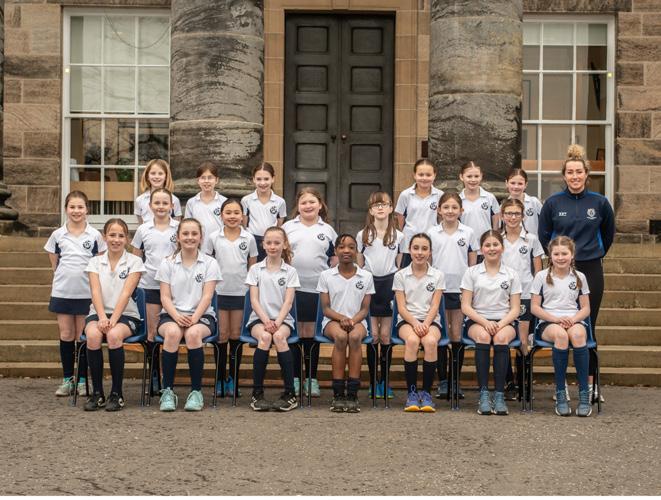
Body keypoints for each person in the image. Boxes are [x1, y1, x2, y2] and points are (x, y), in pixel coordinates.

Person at [538, 144, 615, 403]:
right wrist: (560, 259)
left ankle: (590, 386)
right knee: (559, 324)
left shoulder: (600, 202)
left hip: (590, 267)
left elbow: (608, 235)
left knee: (588, 326)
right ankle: (561, 386)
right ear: (564, 175)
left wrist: (593, 253)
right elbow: (544, 235)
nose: (574, 176)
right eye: (570, 172)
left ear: (586, 174)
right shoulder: (553, 203)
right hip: (559, 269)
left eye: (579, 172)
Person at [155, 218, 222, 412]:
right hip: (172, 314)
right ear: (178, 237)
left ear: (201, 237)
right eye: (185, 233)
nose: (189, 237)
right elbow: (165, 297)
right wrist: (177, 316)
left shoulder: (210, 263)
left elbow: (208, 296)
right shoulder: (167, 263)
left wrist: (194, 318)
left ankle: (196, 392)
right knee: (172, 333)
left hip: (201, 315)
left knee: (193, 334)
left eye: (194, 234)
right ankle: (167, 392)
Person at [45, 191, 106, 397]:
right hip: (63, 291)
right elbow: (55, 263)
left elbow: (100, 264)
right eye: (72, 207)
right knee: (66, 335)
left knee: (82, 336)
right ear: (66, 209)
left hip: (86, 294)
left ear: (87, 209)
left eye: (80, 207)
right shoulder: (57, 235)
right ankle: (67, 380)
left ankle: (81, 380)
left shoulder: (95, 235)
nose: (76, 211)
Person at [83, 218, 145, 411]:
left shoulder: (135, 261)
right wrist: (102, 317)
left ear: (127, 239)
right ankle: (97, 393)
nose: (116, 239)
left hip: (126, 314)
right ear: (104, 237)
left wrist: (112, 321)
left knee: (113, 335)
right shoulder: (95, 262)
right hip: (99, 312)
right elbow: (95, 292)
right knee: (93, 335)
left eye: (120, 236)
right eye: (112, 235)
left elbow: (126, 293)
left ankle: (117, 394)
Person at [283, 187, 338, 397]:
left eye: (312, 202)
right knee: (296, 333)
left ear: (320, 205)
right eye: (304, 202)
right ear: (298, 206)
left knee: (312, 334)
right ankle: (296, 378)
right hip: (293, 289)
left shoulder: (328, 230)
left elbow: (334, 258)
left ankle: (312, 379)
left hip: (317, 289)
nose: (308, 206)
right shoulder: (288, 227)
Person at [461, 230, 521, 416]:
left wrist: (500, 324)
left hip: (504, 321)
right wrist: (485, 322)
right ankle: (484, 394)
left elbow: (515, 309)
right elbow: (465, 306)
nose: (492, 248)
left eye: (495, 244)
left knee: (501, 338)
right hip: (478, 320)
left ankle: (500, 395)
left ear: (502, 248)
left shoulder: (511, 274)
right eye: (487, 245)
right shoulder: (471, 272)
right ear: (481, 249)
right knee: (483, 336)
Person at [531, 236, 592, 417]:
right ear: (550, 256)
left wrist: (573, 319)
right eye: (556, 254)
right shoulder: (541, 276)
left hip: (573, 319)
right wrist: (555, 319)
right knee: (561, 336)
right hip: (549, 322)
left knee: (579, 335)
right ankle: (560, 393)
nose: (560, 257)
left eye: (564, 253)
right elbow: (535, 307)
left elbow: (586, 308)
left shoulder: (580, 277)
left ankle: (584, 395)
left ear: (572, 255)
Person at [204, 198, 258, 398]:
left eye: (236, 213)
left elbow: (253, 266)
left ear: (242, 216)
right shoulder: (213, 237)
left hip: (240, 293)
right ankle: (219, 378)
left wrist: (251, 289)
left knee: (235, 336)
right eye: (228, 212)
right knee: (222, 336)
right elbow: (207, 263)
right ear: (221, 215)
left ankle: (232, 380)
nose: (232, 216)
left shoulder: (249, 238)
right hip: (218, 292)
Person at [427, 192, 477, 400]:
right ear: (439, 210)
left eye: (454, 207)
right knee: (441, 335)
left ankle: (455, 380)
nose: (450, 211)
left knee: (456, 335)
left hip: (460, 289)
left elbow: (472, 262)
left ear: (461, 210)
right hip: (438, 289)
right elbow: (428, 261)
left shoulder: (468, 232)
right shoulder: (432, 232)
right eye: (446, 207)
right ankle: (443, 382)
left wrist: (470, 287)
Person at [245, 226, 300, 412]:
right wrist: (266, 321)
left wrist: (277, 322)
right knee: (265, 337)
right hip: (259, 319)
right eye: (269, 242)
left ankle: (290, 394)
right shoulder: (255, 269)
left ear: (284, 245)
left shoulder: (290, 271)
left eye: (277, 242)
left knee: (279, 337)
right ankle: (257, 394)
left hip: (282, 320)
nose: (272, 246)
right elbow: (254, 300)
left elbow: (288, 302)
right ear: (263, 244)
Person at [318, 234, 374, 413]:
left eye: (351, 247)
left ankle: (352, 393)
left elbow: (365, 309)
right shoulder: (326, 275)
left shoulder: (366, 276)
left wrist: (352, 320)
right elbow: (326, 308)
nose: (346, 250)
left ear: (356, 251)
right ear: (335, 251)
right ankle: (338, 393)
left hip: (357, 320)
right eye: (341, 247)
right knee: (341, 337)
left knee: (355, 336)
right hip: (332, 320)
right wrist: (342, 318)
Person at [356, 191, 404, 400]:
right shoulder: (363, 235)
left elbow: (399, 264)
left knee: (385, 336)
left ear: (391, 208)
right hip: (370, 284)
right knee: (373, 335)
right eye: (376, 205)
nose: (381, 208)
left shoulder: (399, 236)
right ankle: (372, 381)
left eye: (384, 204)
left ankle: (385, 381)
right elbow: (360, 262)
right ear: (371, 210)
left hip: (389, 284)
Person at [131, 188, 179, 393]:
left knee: (171, 332)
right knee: (152, 332)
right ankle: (154, 376)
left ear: (172, 206)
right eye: (157, 203)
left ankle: (168, 377)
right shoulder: (143, 230)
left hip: (175, 287)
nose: (161, 206)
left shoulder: (179, 228)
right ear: (150, 206)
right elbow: (135, 258)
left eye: (165, 203)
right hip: (150, 285)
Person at [392, 233, 445, 413]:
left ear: (430, 252)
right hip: (408, 321)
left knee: (430, 341)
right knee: (413, 341)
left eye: (424, 249)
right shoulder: (400, 275)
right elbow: (401, 307)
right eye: (416, 248)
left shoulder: (438, 275)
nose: (420, 253)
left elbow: (435, 306)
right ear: (409, 250)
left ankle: (427, 394)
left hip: (430, 321)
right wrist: (415, 323)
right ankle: (412, 394)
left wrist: (426, 324)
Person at [500, 198, 543, 400]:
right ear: (502, 216)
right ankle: (508, 382)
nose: (512, 217)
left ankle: (524, 383)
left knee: (523, 341)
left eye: (516, 213)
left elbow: (538, 271)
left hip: (525, 294)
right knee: (505, 339)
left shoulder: (531, 239)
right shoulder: (497, 239)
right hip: (502, 297)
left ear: (523, 216)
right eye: (508, 213)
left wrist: (536, 295)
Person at [394, 159, 444, 268]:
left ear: (434, 175)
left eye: (428, 175)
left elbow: (441, 219)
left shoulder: (440, 195)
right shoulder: (405, 195)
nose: (424, 178)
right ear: (414, 175)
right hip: (409, 242)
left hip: (431, 242)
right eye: (421, 174)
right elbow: (400, 219)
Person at [241, 162, 287, 261]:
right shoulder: (246, 200)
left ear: (273, 179)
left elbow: (279, 224)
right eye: (259, 179)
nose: (262, 183)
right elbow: (244, 224)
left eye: (266, 179)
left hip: (271, 242)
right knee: (253, 267)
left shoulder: (280, 202)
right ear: (253, 179)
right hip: (253, 240)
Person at [459, 161, 500, 259]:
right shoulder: (458, 200)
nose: (473, 180)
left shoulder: (489, 198)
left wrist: (493, 241)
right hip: (466, 249)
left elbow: (496, 223)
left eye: (476, 176)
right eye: (469, 176)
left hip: (486, 249)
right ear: (461, 177)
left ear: (481, 176)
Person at [184, 161, 228, 249]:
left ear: (216, 180)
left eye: (210, 178)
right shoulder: (191, 202)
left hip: (219, 246)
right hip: (198, 246)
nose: (206, 181)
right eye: (203, 178)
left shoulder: (224, 202)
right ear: (198, 180)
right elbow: (187, 225)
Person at [134, 159, 182, 224]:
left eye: (160, 173)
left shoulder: (174, 200)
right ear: (147, 176)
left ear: (166, 177)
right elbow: (140, 225)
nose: (156, 177)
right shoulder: (140, 200)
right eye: (153, 173)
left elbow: (177, 225)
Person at [505, 168, 543, 236]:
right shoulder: (503, 206)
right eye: (512, 183)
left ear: (526, 185)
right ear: (506, 183)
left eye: (520, 184)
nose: (516, 186)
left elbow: (545, 223)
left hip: (533, 242)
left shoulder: (534, 202)